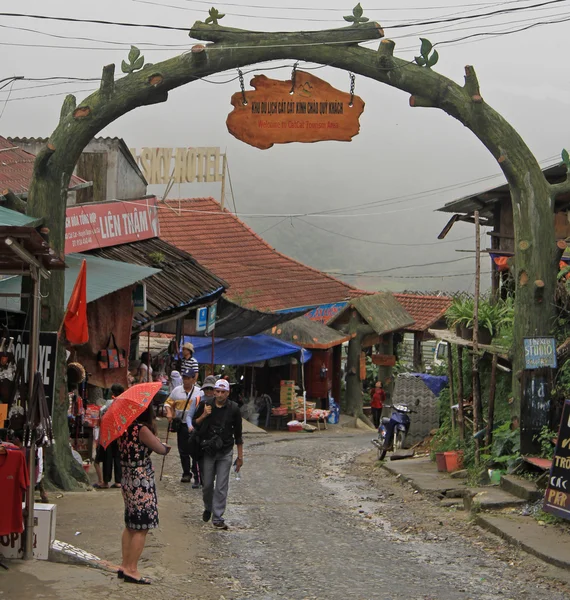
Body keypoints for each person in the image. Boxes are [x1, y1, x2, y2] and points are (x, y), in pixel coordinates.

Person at [118, 403, 170, 585]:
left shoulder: (124, 428)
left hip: (127, 479)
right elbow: (161, 449)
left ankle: (125, 565)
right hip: (141, 481)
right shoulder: (141, 430)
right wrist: (164, 444)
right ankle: (132, 569)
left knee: (131, 524)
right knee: (141, 527)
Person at [194, 378, 243, 530]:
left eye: (223, 392)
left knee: (221, 486)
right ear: (214, 392)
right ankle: (208, 507)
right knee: (207, 484)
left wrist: (240, 457)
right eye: (217, 391)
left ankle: (217, 517)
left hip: (225, 451)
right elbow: (196, 423)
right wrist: (204, 415)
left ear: (228, 393)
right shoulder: (205, 405)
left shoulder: (234, 409)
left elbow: (239, 434)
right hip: (208, 450)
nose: (220, 395)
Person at [165, 367, 201, 483]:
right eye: (184, 378)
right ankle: (186, 472)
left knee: (195, 449)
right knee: (183, 450)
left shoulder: (198, 392)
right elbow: (168, 403)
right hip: (181, 424)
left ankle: (196, 472)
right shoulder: (176, 391)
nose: (186, 380)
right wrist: (169, 412)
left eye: (188, 378)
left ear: (193, 379)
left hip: (194, 424)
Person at [185, 375, 217, 488]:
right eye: (207, 389)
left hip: (212, 435)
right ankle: (198, 479)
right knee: (197, 457)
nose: (209, 391)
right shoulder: (198, 400)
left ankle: (208, 479)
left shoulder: (218, 402)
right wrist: (190, 426)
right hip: (198, 432)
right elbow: (189, 416)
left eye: (211, 389)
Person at [93, 383, 125, 489]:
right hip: (120, 433)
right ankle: (118, 481)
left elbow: (101, 412)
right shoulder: (124, 403)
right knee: (117, 457)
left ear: (112, 392)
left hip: (109, 433)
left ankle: (105, 482)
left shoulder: (110, 402)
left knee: (108, 457)